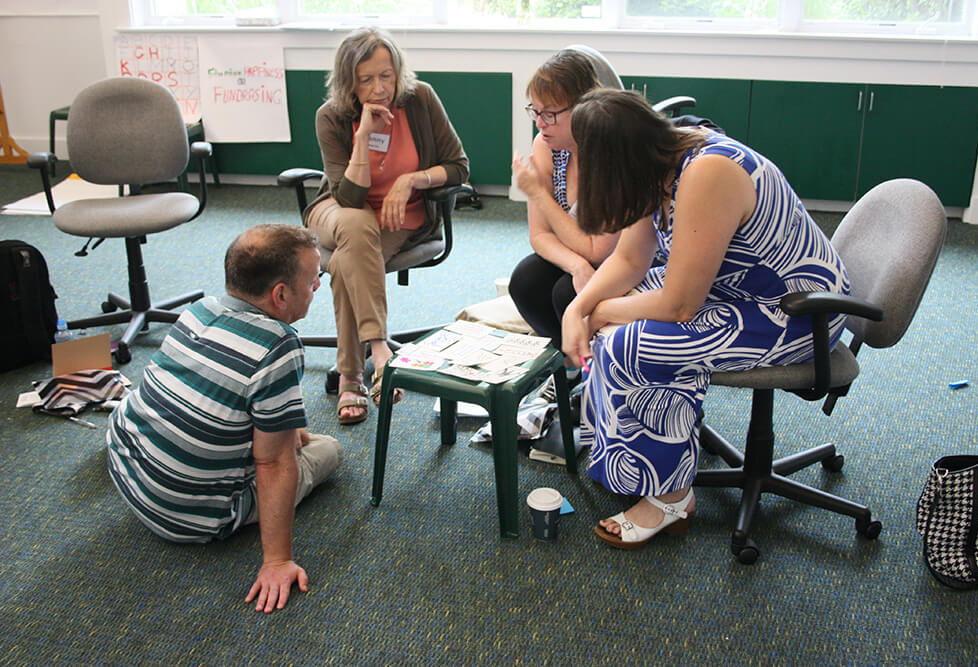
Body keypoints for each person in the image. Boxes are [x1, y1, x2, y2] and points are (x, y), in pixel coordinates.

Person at [561, 89, 852, 550]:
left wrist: (600, 316)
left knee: (632, 345)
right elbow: (632, 261)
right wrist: (577, 310)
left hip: (792, 310)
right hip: (731, 287)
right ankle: (630, 458)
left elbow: (679, 305)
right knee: (607, 313)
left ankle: (672, 498)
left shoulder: (707, 172)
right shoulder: (655, 164)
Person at [106, 223, 343, 613]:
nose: (318, 285)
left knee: (268, 423)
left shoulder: (199, 309)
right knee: (328, 449)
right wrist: (277, 561)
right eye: (314, 279)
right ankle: (281, 430)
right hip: (191, 516)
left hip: (127, 468)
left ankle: (278, 426)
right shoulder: (278, 346)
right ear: (280, 295)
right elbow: (272, 463)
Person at [303, 26, 469, 425]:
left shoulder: (421, 99)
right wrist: (363, 139)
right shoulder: (331, 117)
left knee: (345, 265)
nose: (379, 88)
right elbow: (348, 199)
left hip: (401, 217)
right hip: (337, 211)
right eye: (366, 80)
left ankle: (350, 378)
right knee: (357, 224)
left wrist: (412, 179)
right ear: (349, 82)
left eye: (386, 75)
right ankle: (379, 350)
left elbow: (459, 166)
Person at [508, 49, 619, 352]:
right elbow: (539, 235)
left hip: (630, 262)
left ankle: (595, 368)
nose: (540, 123)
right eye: (536, 111)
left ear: (584, 108)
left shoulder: (611, 154)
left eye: (550, 114)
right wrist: (576, 265)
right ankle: (567, 366)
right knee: (525, 281)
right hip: (580, 253)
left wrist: (539, 194)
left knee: (565, 293)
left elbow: (599, 251)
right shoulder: (547, 146)